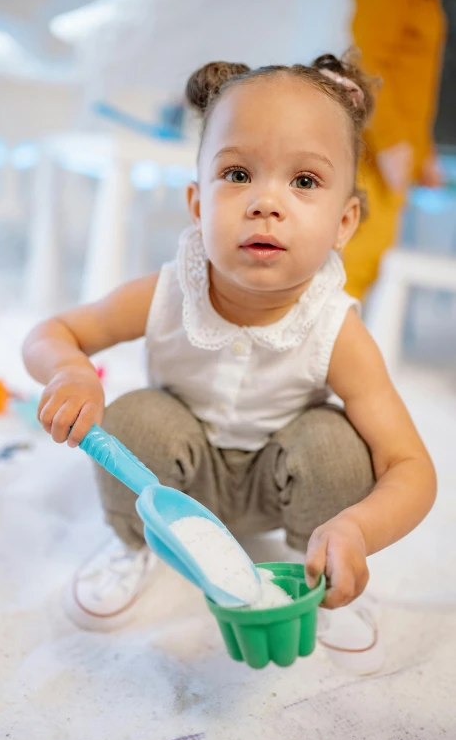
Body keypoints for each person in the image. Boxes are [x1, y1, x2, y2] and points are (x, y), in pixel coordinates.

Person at [23, 50, 436, 674]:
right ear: (197, 201)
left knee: (338, 443)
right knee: (134, 418)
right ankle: (134, 543)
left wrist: (357, 530)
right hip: (174, 484)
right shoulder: (169, 291)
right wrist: (71, 370)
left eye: (304, 182)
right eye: (238, 174)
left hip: (283, 483)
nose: (266, 203)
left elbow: (411, 466)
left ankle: (318, 569)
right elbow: (51, 331)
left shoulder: (334, 328)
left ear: (344, 222)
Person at [343, 0, 446, 300]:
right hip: (372, 154)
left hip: (394, 155)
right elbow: (366, 64)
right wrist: (390, 141)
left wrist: (423, 149)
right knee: (351, 266)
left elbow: (413, 79)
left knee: (370, 262)